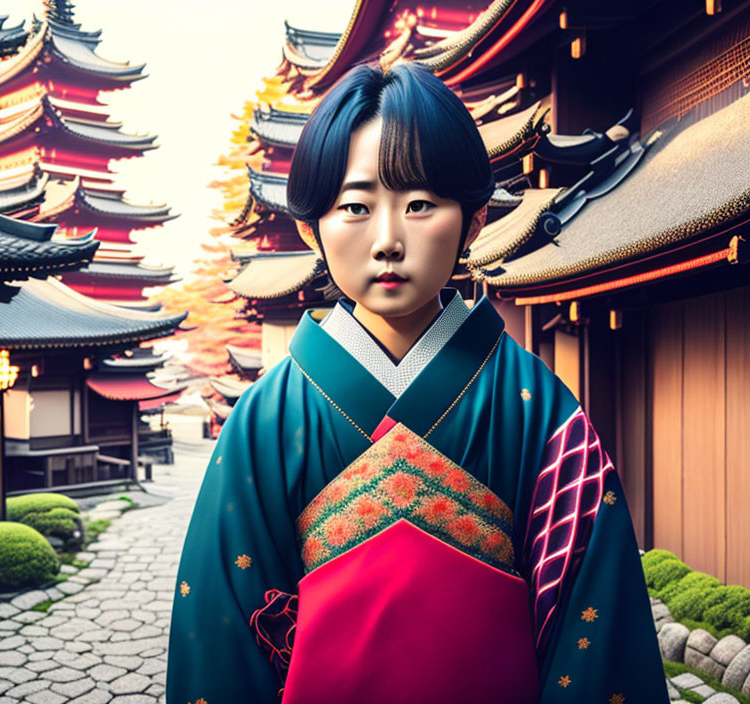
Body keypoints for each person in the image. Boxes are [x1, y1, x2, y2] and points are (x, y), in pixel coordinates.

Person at [166, 61, 668, 704]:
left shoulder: (540, 412)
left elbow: (591, 622)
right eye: (354, 206)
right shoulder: (267, 418)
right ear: (309, 226)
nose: (387, 240)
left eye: (421, 204)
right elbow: (224, 628)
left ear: (475, 220)